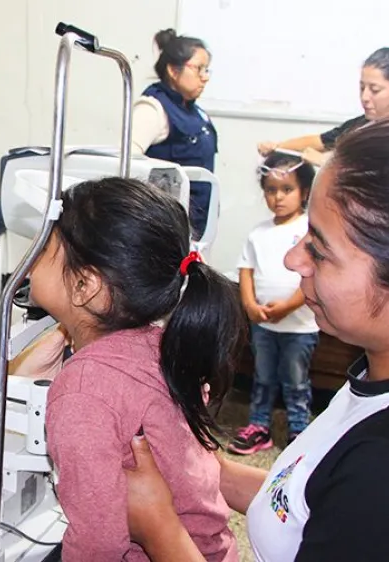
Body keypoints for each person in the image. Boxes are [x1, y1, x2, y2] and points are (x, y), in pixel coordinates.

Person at [124, 110, 389, 561]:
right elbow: (309, 500)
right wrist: (198, 469)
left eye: (318, 251)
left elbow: (361, 504)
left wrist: (158, 526)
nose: (292, 260)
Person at [28, 177, 245, 561]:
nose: (28, 261)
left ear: (85, 285)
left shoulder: (83, 390)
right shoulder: (165, 344)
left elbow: (99, 543)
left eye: (45, 248)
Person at [228, 152, 318, 455]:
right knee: (262, 378)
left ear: (304, 192)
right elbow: (246, 271)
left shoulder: (310, 230)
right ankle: (259, 427)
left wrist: (289, 306)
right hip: (264, 326)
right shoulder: (258, 233)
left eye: (287, 189)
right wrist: (250, 306)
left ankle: (299, 431)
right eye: (271, 190)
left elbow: (315, 274)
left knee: (295, 382)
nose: (278, 197)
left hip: (300, 327)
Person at [258, 45, 389, 166]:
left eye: (375, 90)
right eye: (362, 88)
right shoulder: (363, 124)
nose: (365, 97)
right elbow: (320, 141)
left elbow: (382, 170)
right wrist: (278, 147)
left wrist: (327, 163)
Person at [131, 28, 217, 240]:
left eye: (207, 70)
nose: (205, 78)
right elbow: (127, 164)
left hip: (196, 227)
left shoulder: (197, 113)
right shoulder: (152, 109)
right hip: (163, 229)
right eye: (199, 69)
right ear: (173, 70)